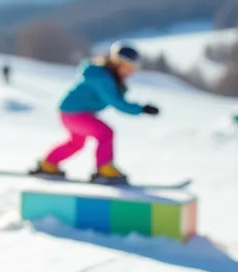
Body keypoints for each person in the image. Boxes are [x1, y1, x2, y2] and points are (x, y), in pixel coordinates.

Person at [33, 42, 160, 185]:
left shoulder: (106, 77)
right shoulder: (102, 78)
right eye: (129, 68)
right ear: (118, 64)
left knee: (76, 143)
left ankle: (48, 164)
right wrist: (142, 109)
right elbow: (117, 102)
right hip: (75, 113)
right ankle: (104, 168)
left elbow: (116, 99)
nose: (131, 72)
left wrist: (140, 108)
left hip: (71, 113)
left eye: (133, 68)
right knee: (105, 132)